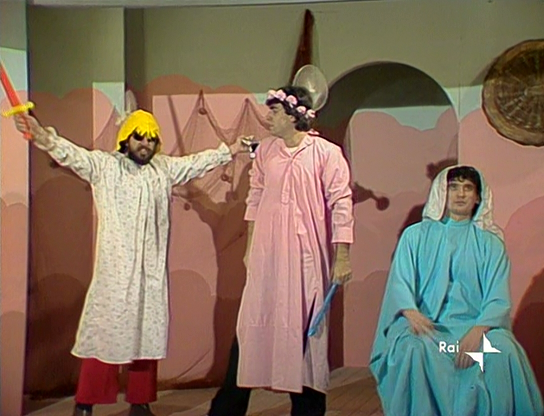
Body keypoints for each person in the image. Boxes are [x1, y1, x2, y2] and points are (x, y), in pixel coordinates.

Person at [14, 110, 248, 416]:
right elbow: (69, 153)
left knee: (146, 340)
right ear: (126, 139)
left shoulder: (163, 169)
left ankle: (140, 402)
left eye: (151, 139)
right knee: (104, 338)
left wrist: (230, 150)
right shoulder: (105, 166)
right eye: (139, 138)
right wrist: (42, 135)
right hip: (115, 277)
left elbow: (196, 163)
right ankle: (85, 404)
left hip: (150, 277)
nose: (145, 144)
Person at [207, 85, 354, 416]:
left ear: (293, 115)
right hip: (268, 252)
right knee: (253, 325)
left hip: (305, 255)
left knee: (306, 330)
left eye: (274, 112)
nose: (268, 118)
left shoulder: (325, 153)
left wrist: (342, 255)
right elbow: (255, 198)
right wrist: (250, 249)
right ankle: (227, 410)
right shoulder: (267, 152)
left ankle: (307, 410)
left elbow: (341, 202)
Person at [370, 165, 544, 416]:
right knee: (412, 349)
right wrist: (411, 313)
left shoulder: (491, 243)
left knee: (502, 350)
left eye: (468, 188)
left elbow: (497, 296)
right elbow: (401, 281)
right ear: (443, 192)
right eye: (454, 187)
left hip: (475, 327)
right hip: (428, 327)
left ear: (478, 197)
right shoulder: (415, 236)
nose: (460, 194)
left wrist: (478, 331)